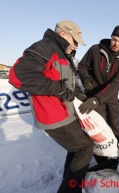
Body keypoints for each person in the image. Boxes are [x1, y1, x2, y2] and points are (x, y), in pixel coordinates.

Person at [8, 20, 93, 193]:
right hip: (54, 115)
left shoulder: (63, 54)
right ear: (63, 33)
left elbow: (69, 83)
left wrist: (81, 96)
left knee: (76, 148)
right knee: (85, 148)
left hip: (66, 112)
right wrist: (60, 90)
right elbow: (17, 76)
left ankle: (70, 182)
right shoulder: (45, 47)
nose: (76, 45)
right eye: (74, 40)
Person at [77, 25, 119, 162]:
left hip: (110, 97)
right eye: (114, 39)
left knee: (115, 126)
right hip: (93, 94)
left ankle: (118, 155)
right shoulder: (96, 50)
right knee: (99, 128)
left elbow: (116, 83)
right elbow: (82, 66)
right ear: (111, 37)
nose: (116, 43)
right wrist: (86, 78)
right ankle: (101, 159)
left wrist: (97, 99)